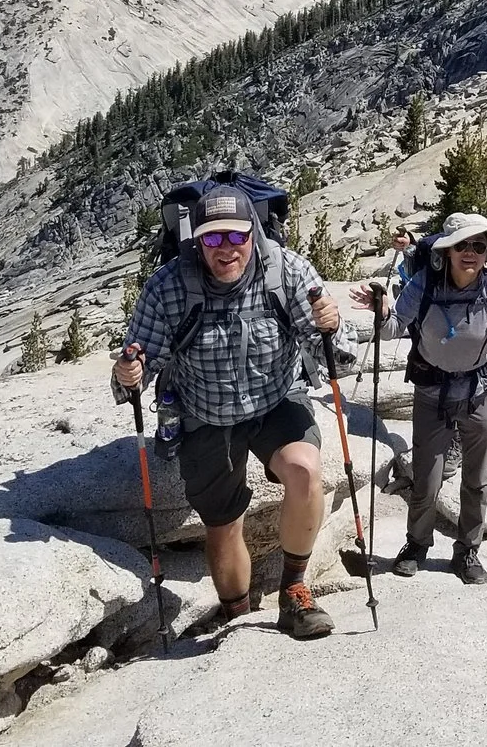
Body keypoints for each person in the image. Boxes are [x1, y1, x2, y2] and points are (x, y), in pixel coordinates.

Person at [115, 182, 346, 641]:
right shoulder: (168, 287)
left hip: (277, 399)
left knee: (303, 470)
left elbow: (334, 356)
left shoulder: (288, 272)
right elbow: (140, 363)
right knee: (223, 523)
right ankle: (236, 612)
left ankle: (294, 591)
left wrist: (332, 329)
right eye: (212, 238)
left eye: (236, 236)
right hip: (204, 411)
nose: (225, 249)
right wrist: (130, 373)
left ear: (254, 233)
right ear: (197, 239)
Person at [349, 212, 487, 585]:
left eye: (479, 246)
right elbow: (394, 327)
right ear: (447, 250)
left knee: (477, 478)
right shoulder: (425, 283)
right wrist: (379, 311)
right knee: (427, 478)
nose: (471, 252)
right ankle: (416, 544)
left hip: (480, 391)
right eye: (463, 245)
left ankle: (467, 550)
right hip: (431, 392)